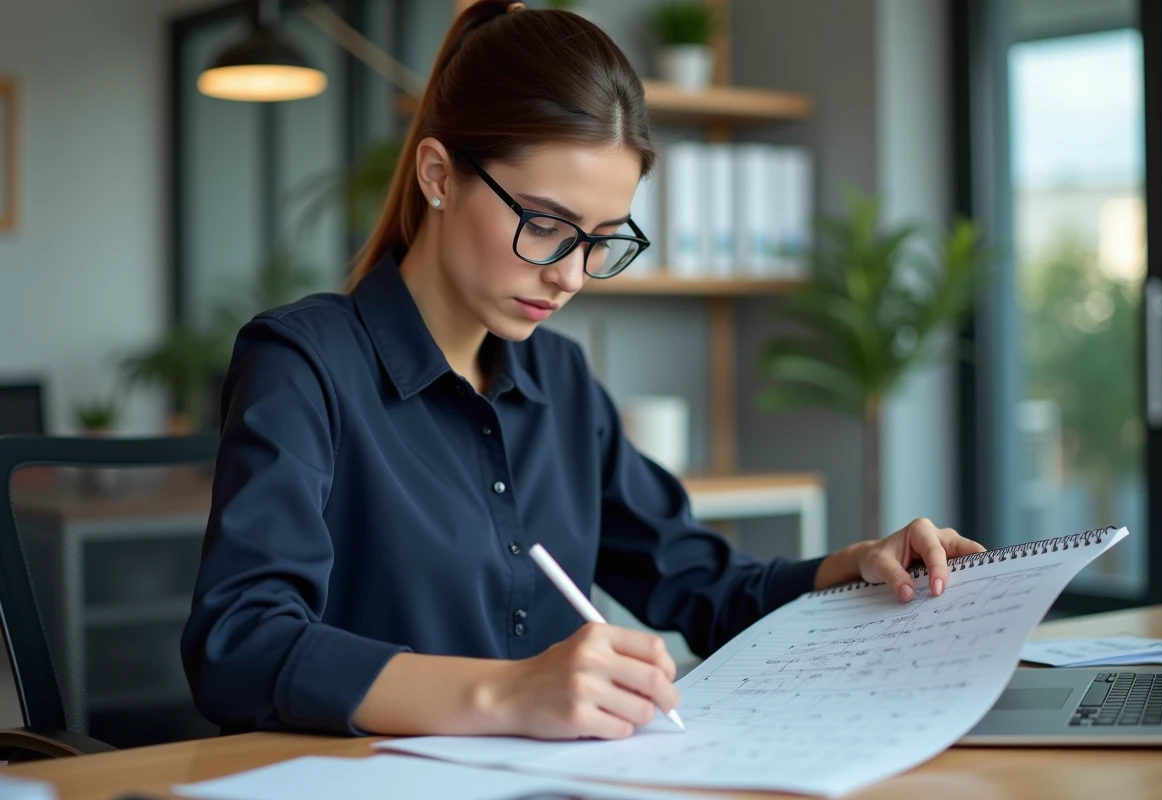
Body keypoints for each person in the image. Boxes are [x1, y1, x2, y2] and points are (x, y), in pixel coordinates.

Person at [180, 0, 986, 742]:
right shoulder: (304, 363)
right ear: (437, 176)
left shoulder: (560, 382)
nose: (571, 274)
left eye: (603, 239)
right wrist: (507, 695)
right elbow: (241, 644)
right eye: (547, 225)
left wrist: (853, 569)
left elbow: (701, 587)